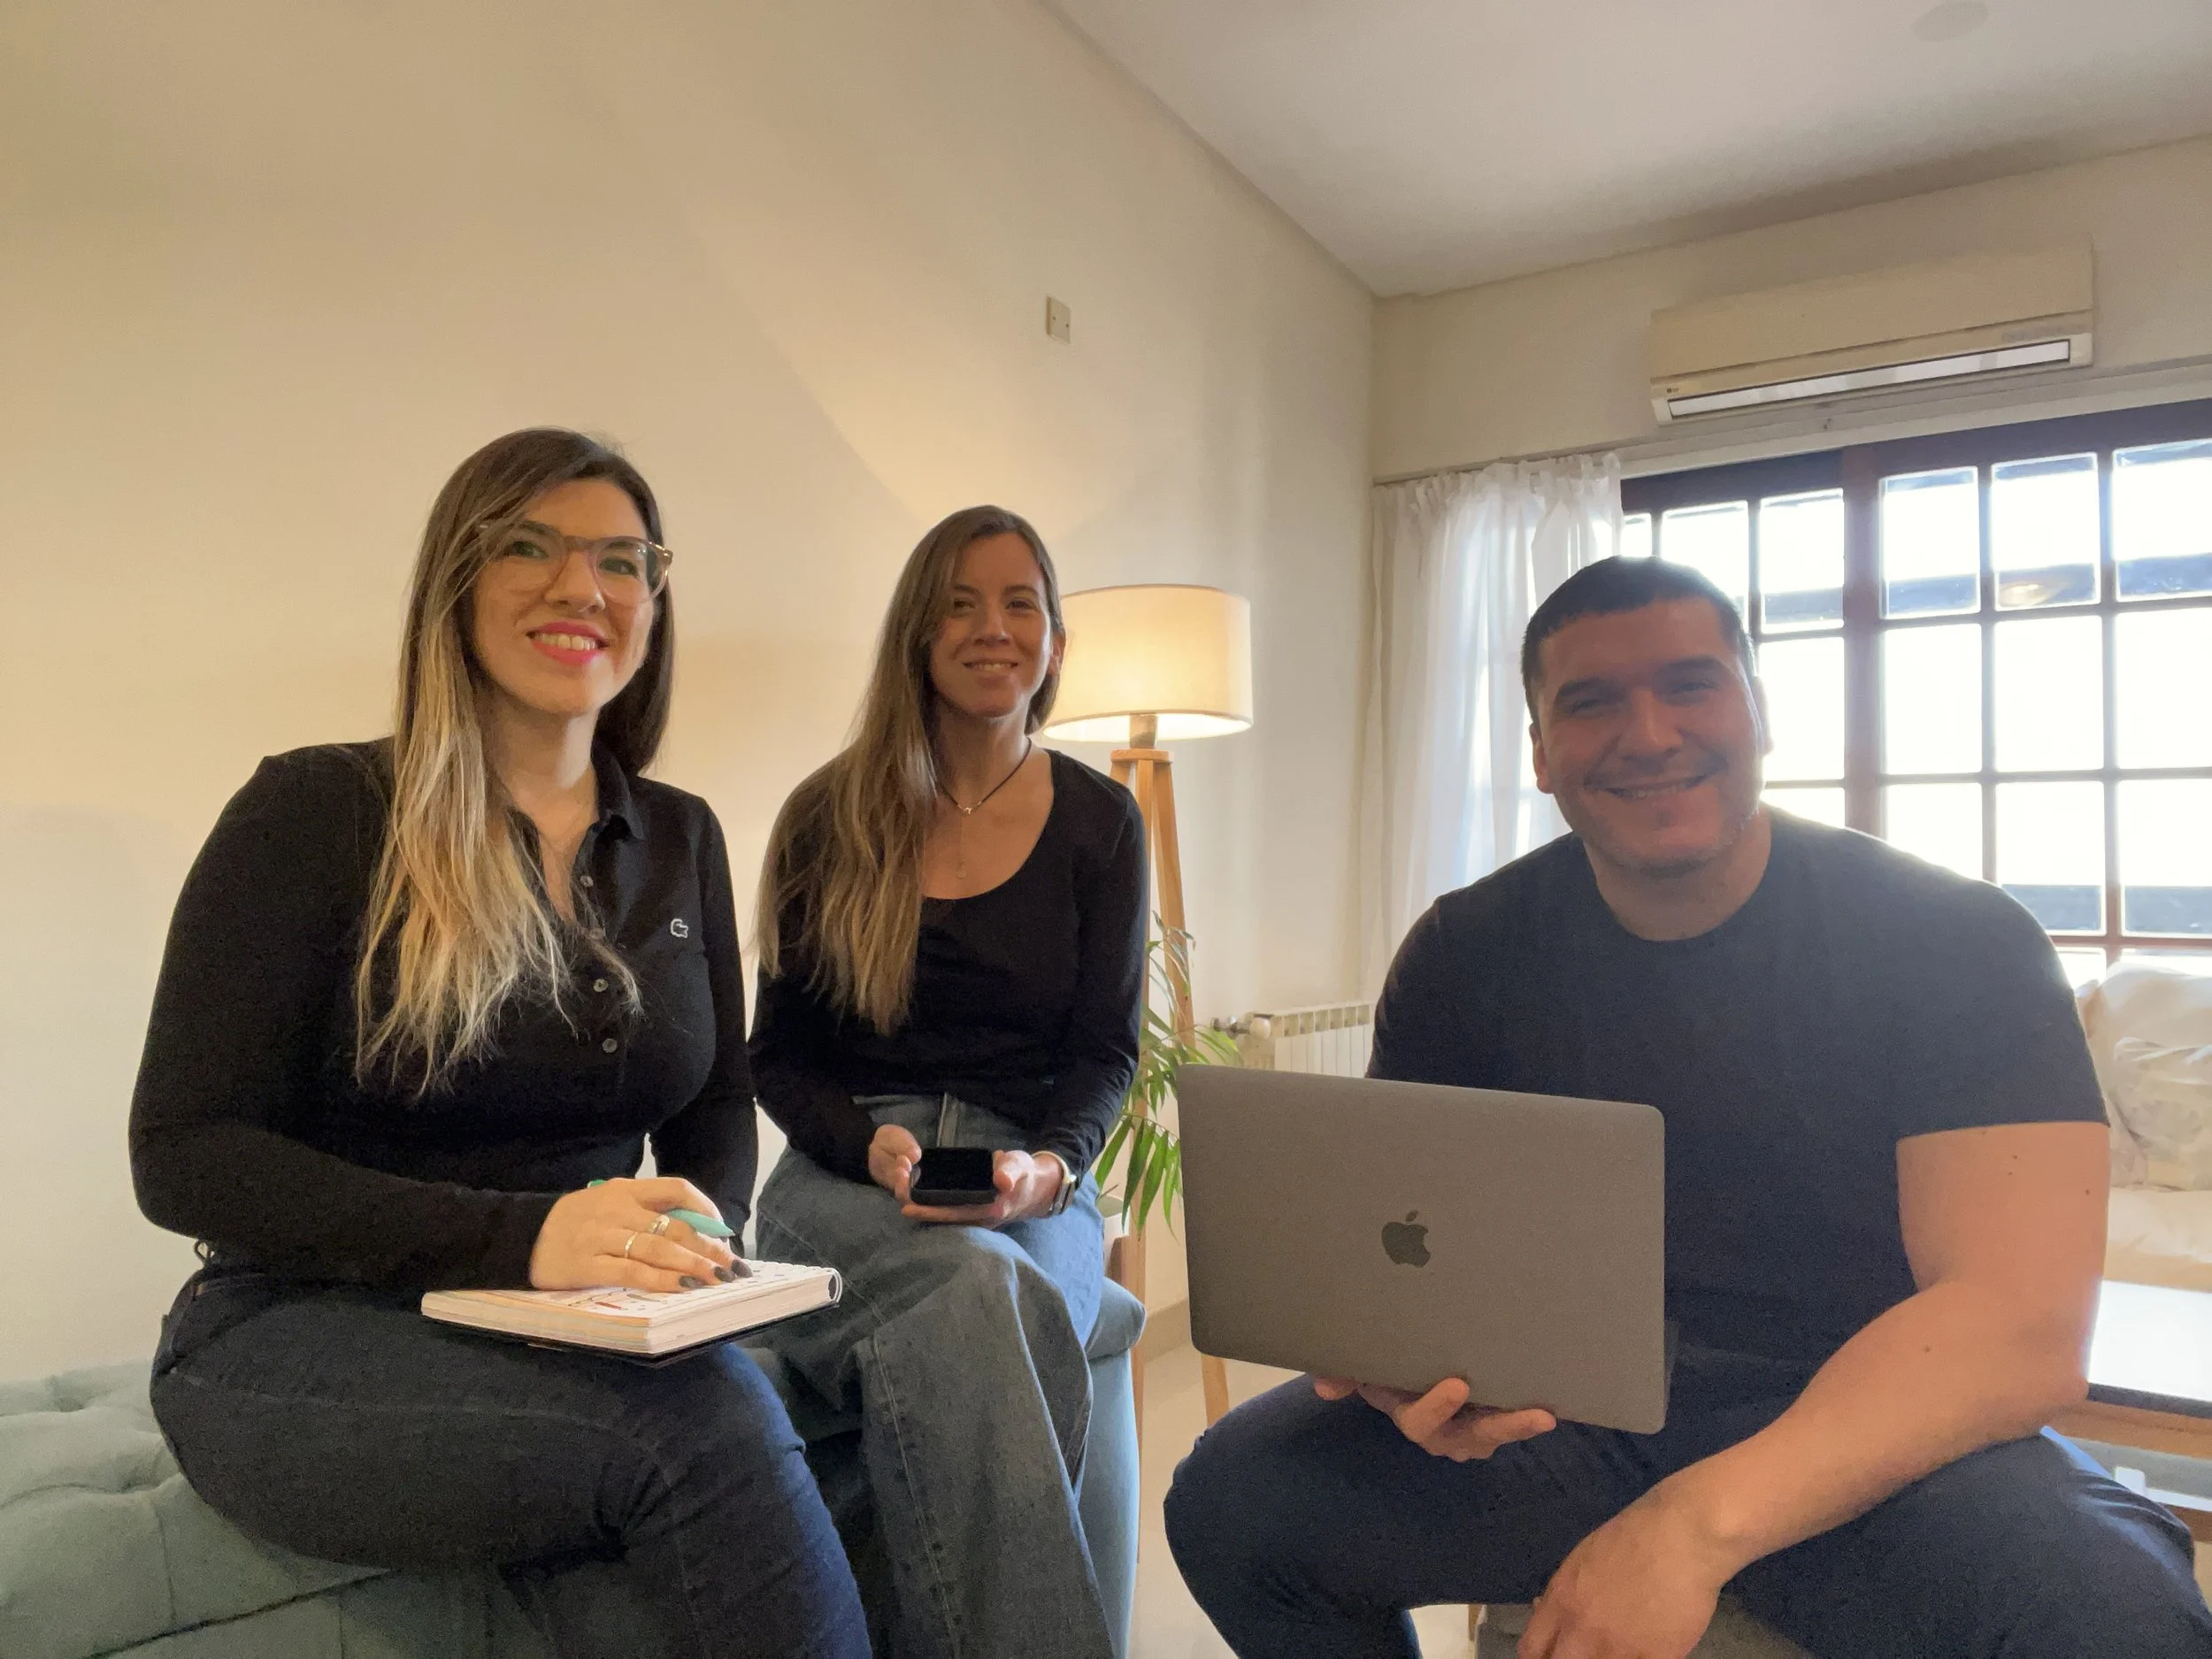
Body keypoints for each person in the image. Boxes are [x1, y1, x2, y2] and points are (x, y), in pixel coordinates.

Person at [1164, 557, 2212, 1659]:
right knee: (1236, 1505)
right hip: (1566, 1416)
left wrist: (1687, 1531)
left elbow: (2018, 1329)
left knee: (2120, 1617)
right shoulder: (1464, 952)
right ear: (1539, 752)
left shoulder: (1954, 940)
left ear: (1759, 712)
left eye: (1690, 685)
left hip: (1873, 1426)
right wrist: (1408, 1374)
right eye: (1591, 702)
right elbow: (1413, 1256)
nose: (1650, 734)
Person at [131, 428, 869, 1659]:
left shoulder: (680, 834)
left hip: (571, 1318)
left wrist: (701, 1244)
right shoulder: (315, 810)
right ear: (457, 580)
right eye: (532, 547)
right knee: (706, 1429)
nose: (583, 586)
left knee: (752, 1399)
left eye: (622, 561)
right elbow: (185, 1154)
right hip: (297, 1325)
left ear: (654, 601)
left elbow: (714, 1100)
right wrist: (525, 1239)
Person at [749, 504, 1147, 1659]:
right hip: (846, 1175)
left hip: (1032, 1172)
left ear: (1055, 641)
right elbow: (778, 1054)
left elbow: (1107, 1052)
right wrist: (865, 1146)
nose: (992, 628)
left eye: (1020, 603)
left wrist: (1050, 1171)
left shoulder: (1101, 823)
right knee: (978, 1290)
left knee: (990, 1288)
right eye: (960, 604)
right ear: (917, 634)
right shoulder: (830, 814)